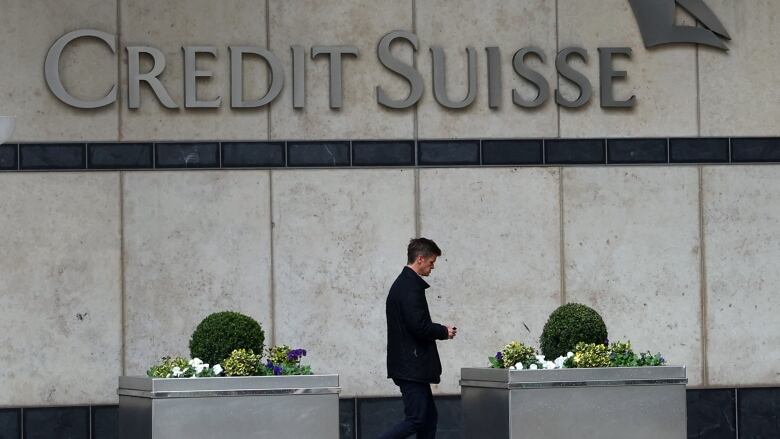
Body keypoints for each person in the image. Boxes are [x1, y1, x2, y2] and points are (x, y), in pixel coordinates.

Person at [379, 238, 457, 439]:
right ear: (420, 259)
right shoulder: (408, 287)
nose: (432, 267)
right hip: (410, 367)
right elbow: (418, 326)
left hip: (410, 366)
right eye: (431, 262)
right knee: (417, 419)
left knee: (428, 419)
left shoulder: (405, 284)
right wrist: (443, 331)